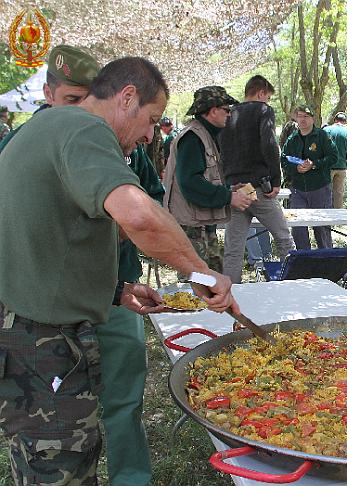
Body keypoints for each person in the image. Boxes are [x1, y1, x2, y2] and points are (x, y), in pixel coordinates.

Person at [0, 56, 238, 485]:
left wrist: (114, 290)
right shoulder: (84, 127)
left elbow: (48, 239)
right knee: (61, 474)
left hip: (28, 334)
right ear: (127, 97)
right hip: (43, 343)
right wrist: (202, 273)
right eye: (151, 119)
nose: (150, 134)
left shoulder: (45, 130)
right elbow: (140, 215)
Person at [96, 145, 164, 486]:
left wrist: (126, 225)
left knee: (124, 398)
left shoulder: (128, 147)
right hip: (50, 309)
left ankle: (131, 479)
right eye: (72, 99)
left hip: (119, 290)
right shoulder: (27, 143)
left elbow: (153, 200)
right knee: (55, 418)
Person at [164, 85, 255, 277]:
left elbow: (202, 178)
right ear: (213, 111)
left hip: (202, 225)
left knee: (212, 284)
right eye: (226, 110)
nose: (229, 114)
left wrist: (229, 189)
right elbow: (190, 183)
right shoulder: (192, 138)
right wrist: (229, 197)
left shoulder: (205, 135)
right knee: (195, 288)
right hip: (192, 229)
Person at [219, 75, 295, 283]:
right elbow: (269, 144)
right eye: (268, 97)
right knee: (284, 238)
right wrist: (276, 179)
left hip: (235, 189)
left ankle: (230, 294)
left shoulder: (227, 115)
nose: (268, 102)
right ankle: (294, 285)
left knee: (233, 249)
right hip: (257, 186)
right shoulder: (263, 110)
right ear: (261, 93)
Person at [0, 44, 100, 153]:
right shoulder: (20, 141)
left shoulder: (98, 137)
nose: (84, 107)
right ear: (48, 94)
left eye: (90, 99)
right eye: (73, 99)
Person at [281, 105, 338, 250]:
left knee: (321, 227)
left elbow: (333, 157)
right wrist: (296, 168)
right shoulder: (292, 139)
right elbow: (284, 160)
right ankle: (304, 261)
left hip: (319, 188)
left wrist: (314, 164)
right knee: (298, 227)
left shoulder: (322, 136)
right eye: (300, 116)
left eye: (306, 116)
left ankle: (326, 259)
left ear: (313, 118)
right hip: (298, 189)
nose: (303, 119)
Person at [323, 112, 347, 208]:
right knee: (338, 193)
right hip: (341, 167)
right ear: (345, 122)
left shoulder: (326, 130)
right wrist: (346, 164)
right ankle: (338, 218)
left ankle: (325, 214)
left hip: (327, 167)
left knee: (325, 191)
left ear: (335, 120)